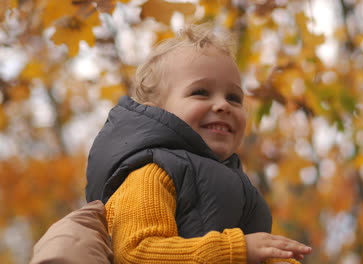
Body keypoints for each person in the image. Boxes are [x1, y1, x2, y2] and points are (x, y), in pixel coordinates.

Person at [85, 23, 312, 264]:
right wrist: (237, 250)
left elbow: (257, 252)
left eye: (234, 98)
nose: (223, 105)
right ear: (156, 111)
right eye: (201, 92)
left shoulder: (237, 184)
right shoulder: (152, 173)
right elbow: (136, 252)